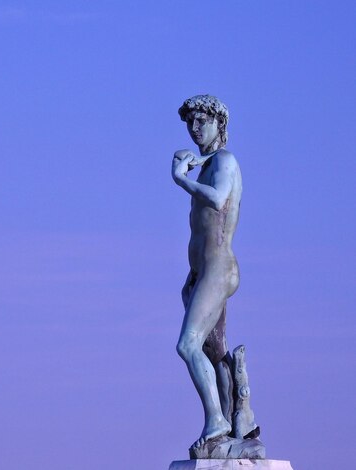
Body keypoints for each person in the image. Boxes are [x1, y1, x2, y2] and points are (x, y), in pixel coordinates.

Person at [171, 95, 243, 449]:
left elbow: (217, 199)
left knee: (188, 345)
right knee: (214, 352)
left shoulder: (225, 162)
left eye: (202, 121)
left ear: (219, 124)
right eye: (190, 123)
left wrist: (180, 179)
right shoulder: (206, 164)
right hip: (204, 272)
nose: (195, 128)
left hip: (219, 269)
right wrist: (192, 273)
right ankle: (241, 419)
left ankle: (216, 419)